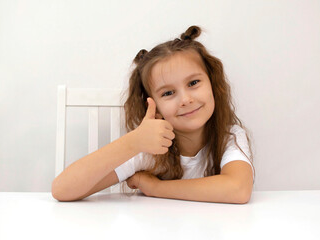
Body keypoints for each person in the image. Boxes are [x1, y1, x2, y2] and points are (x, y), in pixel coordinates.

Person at [52, 25, 255, 204]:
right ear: (154, 105)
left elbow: (238, 189)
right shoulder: (147, 149)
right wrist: (133, 142)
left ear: (212, 83)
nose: (185, 99)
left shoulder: (229, 136)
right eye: (168, 93)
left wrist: (156, 188)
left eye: (193, 83)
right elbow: (62, 189)